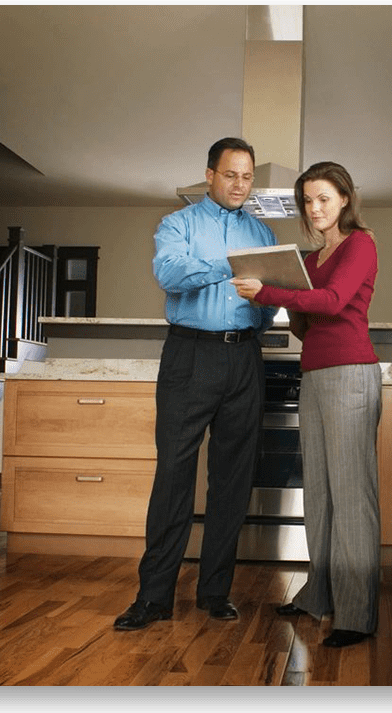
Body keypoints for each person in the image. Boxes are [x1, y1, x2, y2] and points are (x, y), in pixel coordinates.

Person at [114, 138, 278, 631]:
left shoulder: (262, 231)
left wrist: (258, 316)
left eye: (247, 177)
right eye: (231, 175)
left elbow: (268, 300)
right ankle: (154, 596)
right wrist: (230, 263)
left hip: (244, 356)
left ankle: (214, 592)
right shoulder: (178, 224)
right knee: (174, 476)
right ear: (209, 174)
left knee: (232, 479)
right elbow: (170, 273)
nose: (239, 185)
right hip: (190, 355)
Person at [232, 161, 381, 648]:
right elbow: (306, 326)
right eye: (307, 201)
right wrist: (287, 300)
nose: (314, 209)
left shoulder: (361, 244)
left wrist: (269, 293)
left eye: (323, 198)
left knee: (352, 495)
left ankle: (357, 614)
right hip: (315, 375)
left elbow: (336, 302)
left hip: (351, 374)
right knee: (319, 492)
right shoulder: (312, 259)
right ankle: (319, 595)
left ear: (344, 199)